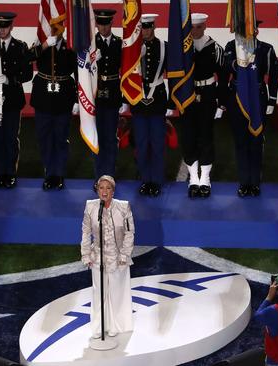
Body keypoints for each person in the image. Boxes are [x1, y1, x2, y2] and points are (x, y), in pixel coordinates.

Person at [223, 21, 278, 197]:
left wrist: (271, 101)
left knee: (255, 141)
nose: (248, 32)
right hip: (237, 98)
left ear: (256, 30)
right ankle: (243, 182)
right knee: (240, 142)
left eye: (250, 29)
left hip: (257, 98)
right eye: (243, 29)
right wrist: (222, 101)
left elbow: (273, 75)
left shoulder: (265, 49)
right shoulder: (231, 46)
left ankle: (254, 182)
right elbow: (226, 69)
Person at [0, 12, 34, 189]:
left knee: (10, 139)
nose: (1, 30)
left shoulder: (20, 47)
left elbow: (26, 74)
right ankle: (0, 173)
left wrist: (10, 80)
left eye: (4, 27)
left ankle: (10, 173)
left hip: (12, 101)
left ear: (11, 27)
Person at [81, 175, 135, 338]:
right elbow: (86, 232)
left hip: (118, 257)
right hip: (98, 256)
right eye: (101, 188)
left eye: (108, 188)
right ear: (97, 190)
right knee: (99, 292)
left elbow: (129, 232)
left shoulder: (123, 207)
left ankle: (115, 325)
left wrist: (125, 254)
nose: (104, 191)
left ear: (113, 190)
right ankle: (99, 326)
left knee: (116, 292)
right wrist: (86, 255)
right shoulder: (91, 206)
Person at [28, 10, 77, 191]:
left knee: (61, 138)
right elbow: (27, 57)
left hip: (63, 97)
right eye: (53, 26)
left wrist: (79, 100)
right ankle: (49, 173)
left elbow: (79, 69)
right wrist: (44, 46)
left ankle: (59, 174)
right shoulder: (41, 44)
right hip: (43, 97)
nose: (56, 30)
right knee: (45, 137)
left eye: (59, 26)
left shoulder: (70, 46)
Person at [180, 13, 225, 198]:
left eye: (199, 27)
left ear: (205, 26)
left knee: (206, 136)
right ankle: (193, 179)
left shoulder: (215, 48)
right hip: (188, 96)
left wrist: (221, 104)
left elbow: (222, 77)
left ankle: (205, 178)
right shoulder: (183, 48)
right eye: (192, 27)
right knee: (189, 136)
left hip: (207, 95)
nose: (195, 30)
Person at [131, 14, 170, 197]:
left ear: (153, 27)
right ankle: (145, 180)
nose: (145, 31)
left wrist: (171, 102)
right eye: (143, 28)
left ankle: (156, 180)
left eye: (148, 28)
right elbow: (126, 76)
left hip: (157, 100)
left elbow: (174, 74)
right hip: (138, 100)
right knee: (141, 142)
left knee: (157, 142)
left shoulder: (164, 47)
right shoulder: (132, 48)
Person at [93, 9, 124, 189]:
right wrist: (90, 61)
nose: (103, 27)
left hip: (112, 93)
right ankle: (99, 177)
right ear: (96, 24)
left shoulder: (119, 44)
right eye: (100, 23)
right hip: (95, 95)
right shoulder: (90, 44)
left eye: (107, 23)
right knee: (97, 138)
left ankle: (109, 176)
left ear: (111, 24)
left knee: (110, 137)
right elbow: (79, 70)